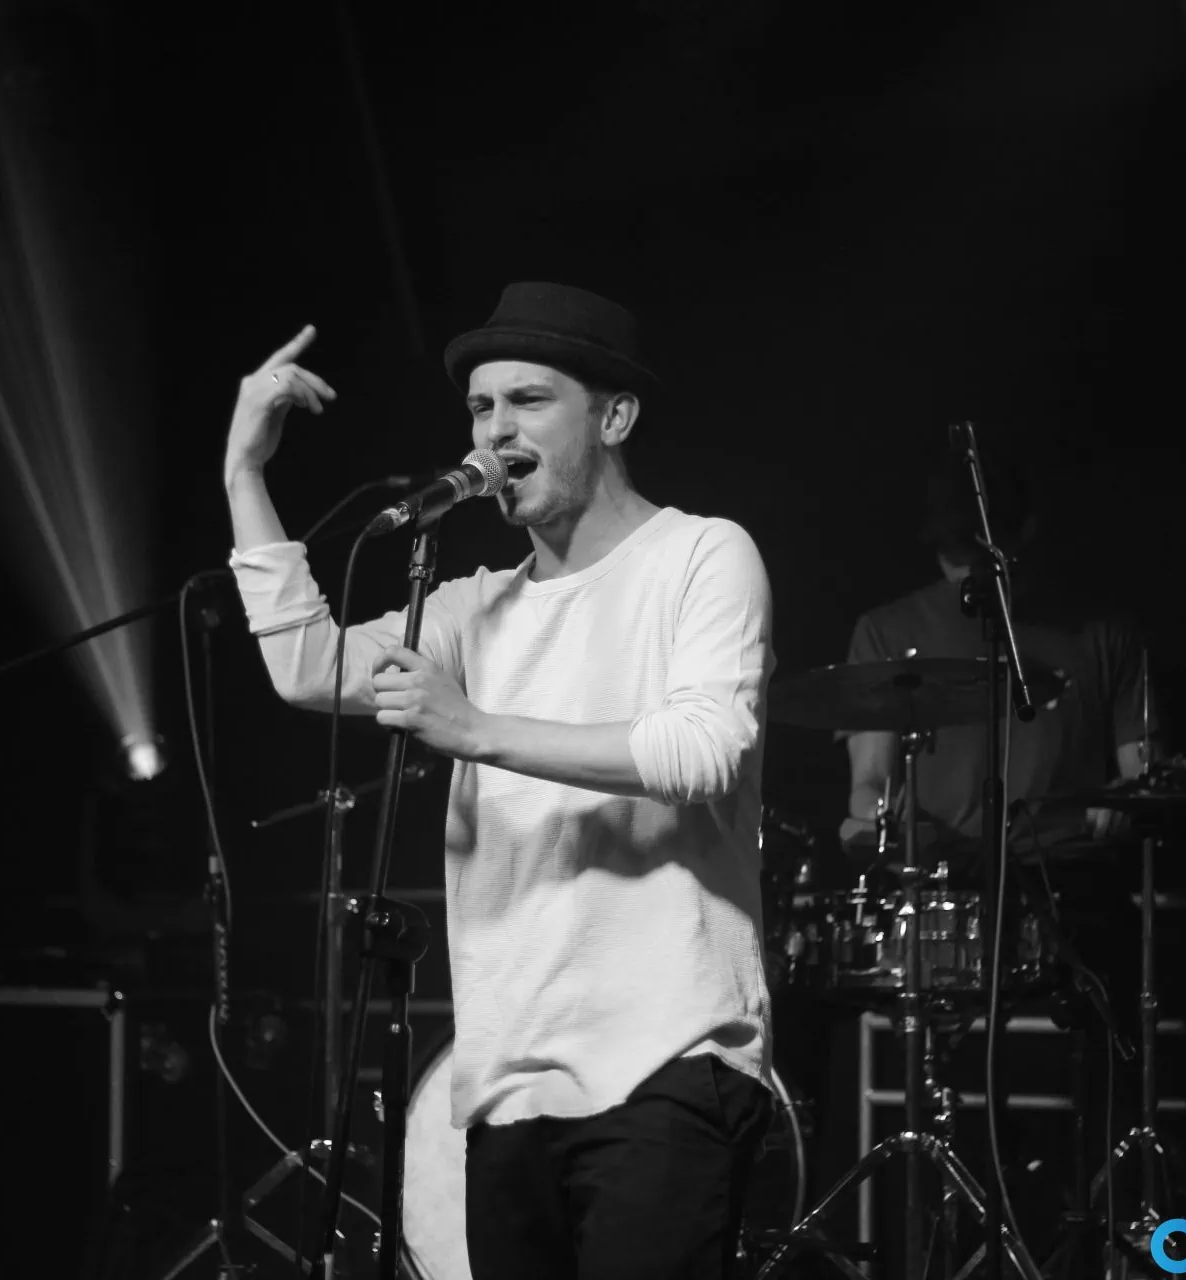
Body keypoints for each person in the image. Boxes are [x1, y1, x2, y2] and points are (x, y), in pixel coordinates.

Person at [223, 282, 776, 1279]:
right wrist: (245, 472)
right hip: (511, 1081)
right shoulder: (470, 607)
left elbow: (705, 749)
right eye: (481, 407)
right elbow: (307, 666)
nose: (494, 430)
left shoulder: (702, 553)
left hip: (668, 1058)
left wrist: (476, 729)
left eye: (527, 400)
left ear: (614, 417)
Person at [839, 451, 1154, 861]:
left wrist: (1121, 801)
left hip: (1070, 873)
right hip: (942, 878)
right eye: (952, 550)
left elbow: (1146, 776)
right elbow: (868, 784)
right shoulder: (885, 632)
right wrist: (882, 814)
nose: (965, 570)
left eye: (975, 550)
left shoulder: (1105, 632)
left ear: (1026, 530)